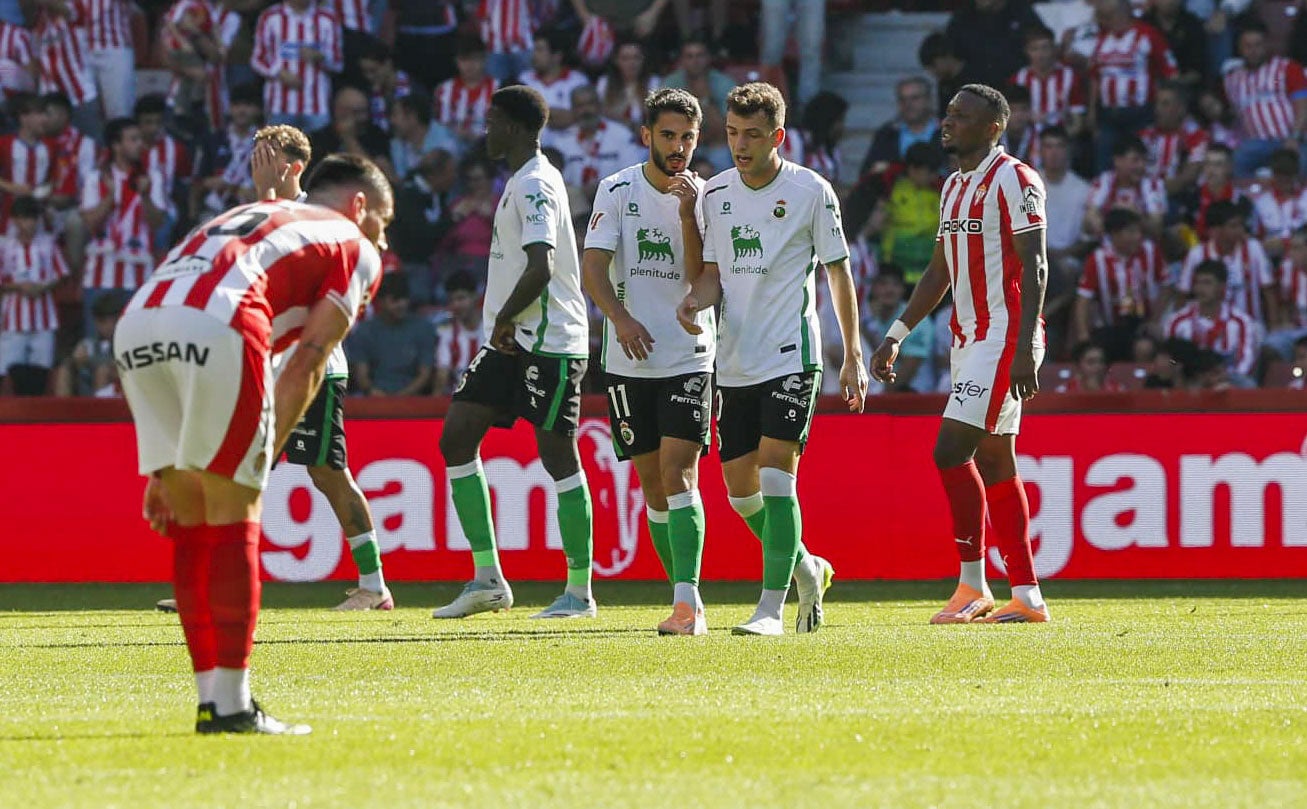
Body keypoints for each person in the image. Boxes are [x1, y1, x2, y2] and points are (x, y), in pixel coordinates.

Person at [116, 152, 390, 734]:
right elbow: (310, 359)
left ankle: (211, 701)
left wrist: (164, 468)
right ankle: (236, 706)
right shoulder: (352, 243)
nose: (382, 243)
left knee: (190, 524)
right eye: (383, 226)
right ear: (360, 206)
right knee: (238, 510)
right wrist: (266, 449)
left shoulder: (252, 212)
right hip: (220, 324)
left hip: (138, 324)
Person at [158, 125, 394, 615]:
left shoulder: (317, 212)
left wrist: (264, 194)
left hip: (314, 365)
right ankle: (208, 579)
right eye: (255, 155)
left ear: (295, 165)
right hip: (263, 363)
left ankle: (373, 586)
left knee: (327, 472)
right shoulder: (256, 212)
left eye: (268, 156)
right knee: (228, 468)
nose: (258, 163)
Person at [677, 82, 867, 636]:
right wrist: (695, 301)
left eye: (753, 134)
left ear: (778, 136)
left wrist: (851, 354)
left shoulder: (811, 191)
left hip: (792, 354)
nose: (740, 144)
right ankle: (807, 567)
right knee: (741, 494)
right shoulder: (714, 194)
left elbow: (838, 272)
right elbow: (713, 274)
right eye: (733, 132)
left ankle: (770, 609)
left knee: (778, 476)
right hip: (734, 360)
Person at [870, 83, 1051, 624]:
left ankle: (972, 585)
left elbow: (1036, 265)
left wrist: (1024, 348)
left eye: (961, 116)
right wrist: (897, 331)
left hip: (1005, 335)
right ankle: (1027, 595)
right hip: (967, 337)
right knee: (996, 458)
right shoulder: (952, 187)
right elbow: (940, 270)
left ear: (993, 126)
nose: (947, 123)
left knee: (949, 452)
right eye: (948, 113)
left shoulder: (1016, 179)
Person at [433, 85, 595, 621]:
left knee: (557, 456)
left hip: (547, 341)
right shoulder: (520, 182)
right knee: (456, 438)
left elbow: (541, 265)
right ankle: (487, 580)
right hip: (509, 343)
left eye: (494, 121)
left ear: (520, 128)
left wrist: (504, 316)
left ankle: (578, 591)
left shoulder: (536, 185)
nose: (487, 131)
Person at [580, 87, 712, 634]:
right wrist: (620, 318)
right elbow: (593, 267)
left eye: (687, 137)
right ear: (646, 137)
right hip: (628, 358)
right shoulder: (615, 190)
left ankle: (688, 605)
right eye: (668, 136)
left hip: (689, 351)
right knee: (652, 485)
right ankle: (682, 594)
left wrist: (687, 212)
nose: (678, 147)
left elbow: (703, 272)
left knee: (679, 473)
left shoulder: (708, 196)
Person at [80, 117, 168, 339]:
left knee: (136, 343)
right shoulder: (95, 178)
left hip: (137, 273)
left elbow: (157, 223)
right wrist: (110, 197)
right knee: (96, 346)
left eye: (140, 139)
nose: (140, 144)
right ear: (116, 145)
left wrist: (146, 196)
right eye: (133, 139)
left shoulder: (152, 178)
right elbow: (90, 222)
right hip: (100, 272)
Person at [1087, 0, 1178, 173]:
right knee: (1105, 163)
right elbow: (1095, 76)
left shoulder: (1148, 35)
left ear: (1123, 13)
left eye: (1108, 16)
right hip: (1109, 115)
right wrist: (1092, 111)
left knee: (1140, 162)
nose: (1104, 21)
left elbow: (1170, 71)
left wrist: (1164, 106)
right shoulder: (1102, 39)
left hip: (1141, 113)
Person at [1073, 207, 1169, 359]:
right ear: (1114, 235)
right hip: (1110, 325)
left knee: (1144, 348)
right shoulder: (1097, 260)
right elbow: (1083, 300)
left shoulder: (1151, 252)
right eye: (1131, 232)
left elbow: (1166, 286)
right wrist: (1083, 336)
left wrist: (1155, 320)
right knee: (1095, 353)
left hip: (1144, 323)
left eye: (1139, 232)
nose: (1137, 237)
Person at [0, 196, 67, 395]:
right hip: (13, 319)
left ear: (37, 220)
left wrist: (43, 288)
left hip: (43, 319)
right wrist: (19, 287)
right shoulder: (5, 246)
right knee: (8, 369)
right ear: (14, 220)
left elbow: (62, 275)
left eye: (30, 219)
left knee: (41, 371)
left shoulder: (48, 244)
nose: (26, 224)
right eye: (22, 219)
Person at [1222, 22, 1307, 178]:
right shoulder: (1232, 79)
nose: (1253, 51)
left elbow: (1303, 107)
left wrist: (1294, 137)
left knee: (1302, 163)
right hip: (1254, 143)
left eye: (1258, 45)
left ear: (1267, 44)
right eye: (1247, 46)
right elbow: (1236, 116)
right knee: (1234, 164)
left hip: (1288, 139)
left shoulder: (1287, 68)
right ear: (1240, 48)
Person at [1179, 199, 1277, 326]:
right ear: (1216, 230)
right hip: (1207, 324)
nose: (1240, 230)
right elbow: (1183, 293)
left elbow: (1268, 291)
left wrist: (1274, 327)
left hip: (1251, 324)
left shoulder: (1253, 248)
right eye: (1233, 226)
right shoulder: (1197, 254)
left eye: (1241, 225)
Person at [251, 0, 343, 133]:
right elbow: (257, 59)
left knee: (319, 151)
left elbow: (338, 64)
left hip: (317, 107)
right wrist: (278, 72)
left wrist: (321, 57)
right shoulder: (270, 17)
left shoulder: (328, 18)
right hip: (279, 106)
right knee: (280, 152)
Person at [1164, 259, 1260, 385]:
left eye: (1207, 283)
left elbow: (1246, 360)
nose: (1200, 289)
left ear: (1222, 288)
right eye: (1198, 283)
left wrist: (1223, 377)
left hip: (1227, 382)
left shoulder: (1240, 322)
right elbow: (1170, 358)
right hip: (1188, 384)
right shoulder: (1177, 321)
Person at [350, 271, 435, 395]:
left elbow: (425, 374)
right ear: (380, 301)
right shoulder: (364, 331)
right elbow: (362, 376)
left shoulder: (423, 328)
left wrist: (399, 399)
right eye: (395, 300)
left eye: (404, 298)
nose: (402, 304)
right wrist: (376, 394)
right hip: (373, 399)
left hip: (413, 400)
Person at [859, 76, 946, 178]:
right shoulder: (887, 134)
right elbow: (867, 172)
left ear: (928, 100)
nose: (908, 104)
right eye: (902, 99)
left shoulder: (947, 132)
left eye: (915, 98)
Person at [1084, 136, 1166, 239]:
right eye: (1135, 160)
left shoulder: (1153, 185)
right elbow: (1087, 222)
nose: (1141, 166)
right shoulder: (1103, 181)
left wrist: (1135, 217)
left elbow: (1157, 228)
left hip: (1142, 246)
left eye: (1144, 160)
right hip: (1108, 245)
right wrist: (1104, 222)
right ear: (1117, 161)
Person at [1137, 81, 1208, 197]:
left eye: (1165, 104)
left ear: (1181, 109)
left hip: (1178, 198)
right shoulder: (1145, 135)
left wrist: (1154, 190)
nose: (1157, 109)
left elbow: (1188, 176)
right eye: (1157, 104)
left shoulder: (1196, 136)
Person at [1012, 25, 1085, 133]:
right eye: (1034, 49)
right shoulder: (1019, 79)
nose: (1040, 54)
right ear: (1027, 51)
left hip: (1061, 137)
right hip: (1029, 138)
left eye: (1045, 48)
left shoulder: (1069, 76)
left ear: (1053, 49)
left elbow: (1077, 117)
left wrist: (1067, 135)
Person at [517, 27, 590, 132]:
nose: (534, 55)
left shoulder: (578, 81)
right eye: (534, 50)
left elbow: (581, 116)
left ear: (557, 56)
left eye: (540, 50)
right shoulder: (524, 80)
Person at [434, 35, 500, 150]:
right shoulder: (444, 91)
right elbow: (440, 126)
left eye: (475, 59)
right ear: (456, 61)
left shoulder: (498, 88)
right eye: (464, 59)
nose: (469, 65)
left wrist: (477, 136)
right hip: (452, 149)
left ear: (484, 59)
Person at [1250, 148, 1307, 262]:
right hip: (1271, 258)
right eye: (1280, 176)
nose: (1284, 181)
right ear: (1273, 175)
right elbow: (1256, 236)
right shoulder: (1262, 202)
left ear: (1295, 174)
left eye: (1288, 176)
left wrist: (1285, 243)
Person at [433, 270, 483, 395]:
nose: (456, 305)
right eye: (451, 300)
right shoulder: (447, 334)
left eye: (461, 298)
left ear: (475, 296)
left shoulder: (492, 330)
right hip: (458, 402)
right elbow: (441, 377)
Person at [1267, 225, 1307, 360]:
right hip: (1298, 331)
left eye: (1296, 248)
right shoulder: (1287, 269)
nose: (1290, 253)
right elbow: (1284, 304)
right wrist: (1283, 323)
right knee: (1269, 346)